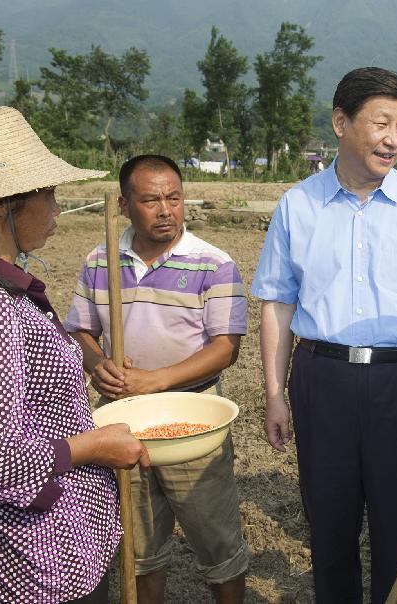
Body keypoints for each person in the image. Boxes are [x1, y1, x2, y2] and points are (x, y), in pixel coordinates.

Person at [252, 67, 397, 604]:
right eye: (381, 123)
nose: (394, 139)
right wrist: (273, 393)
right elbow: (278, 305)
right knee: (328, 526)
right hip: (322, 378)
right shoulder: (299, 206)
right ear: (341, 123)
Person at [0, 106, 149, 603]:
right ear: (2, 205)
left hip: (55, 538)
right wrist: (95, 446)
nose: (57, 208)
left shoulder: (2, 291)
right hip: (35, 557)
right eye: (48, 194)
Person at [65, 155, 249, 603]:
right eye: (151, 200)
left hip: (193, 418)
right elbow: (81, 330)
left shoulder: (213, 263)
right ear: (126, 206)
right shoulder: (99, 260)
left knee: (216, 541)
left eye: (174, 198)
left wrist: (156, 380)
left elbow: (226, 349)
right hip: (124, 421)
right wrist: (97, 363)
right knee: (139, 546)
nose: (166, 210)